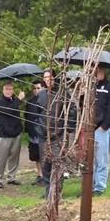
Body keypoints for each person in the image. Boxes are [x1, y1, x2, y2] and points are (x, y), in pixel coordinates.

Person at [36, 69, 77, 199]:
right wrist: (38, 128)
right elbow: (36, 113)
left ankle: (57, 192)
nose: (48, 79)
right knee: (45, 165)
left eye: (50, 77)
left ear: (55, 78)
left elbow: (72, 111)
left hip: (58, 136)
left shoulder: (62, 94)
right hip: (43, 136)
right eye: (45, 77)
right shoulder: (41, 95)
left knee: (58, 165)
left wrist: (68, 128)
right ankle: (48, 192)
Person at [92, 67, 110, 196]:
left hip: (102, 129)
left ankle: (99, 187)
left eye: (100, 70)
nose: (98, 73)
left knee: (101, 159)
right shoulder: (88, 88)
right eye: (96, 70)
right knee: (90, 160)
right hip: (88, 128)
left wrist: (104, 126)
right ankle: (90, 185)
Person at [0, 81, 25, 188]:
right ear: (3, 90)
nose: (8, 91)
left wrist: (20, 128)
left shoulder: (14, 100)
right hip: (4, 135)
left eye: (10, 89)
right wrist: (19, 100)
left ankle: (12, 177)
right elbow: (9, 111)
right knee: (2, 158)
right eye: (6, 89)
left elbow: (16, 113)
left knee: (14, 157)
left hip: (16, 133)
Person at [25, 80, 47, 185]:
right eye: (34, 88)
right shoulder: (30, 102)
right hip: (33, 132)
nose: (36, 90)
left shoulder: (47, 99)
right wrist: (28, 130)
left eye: (38, 88)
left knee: (44, 154)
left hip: (43, 131)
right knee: (36, 155)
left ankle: (45, 175)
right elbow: (27, 116)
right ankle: (39, 175)